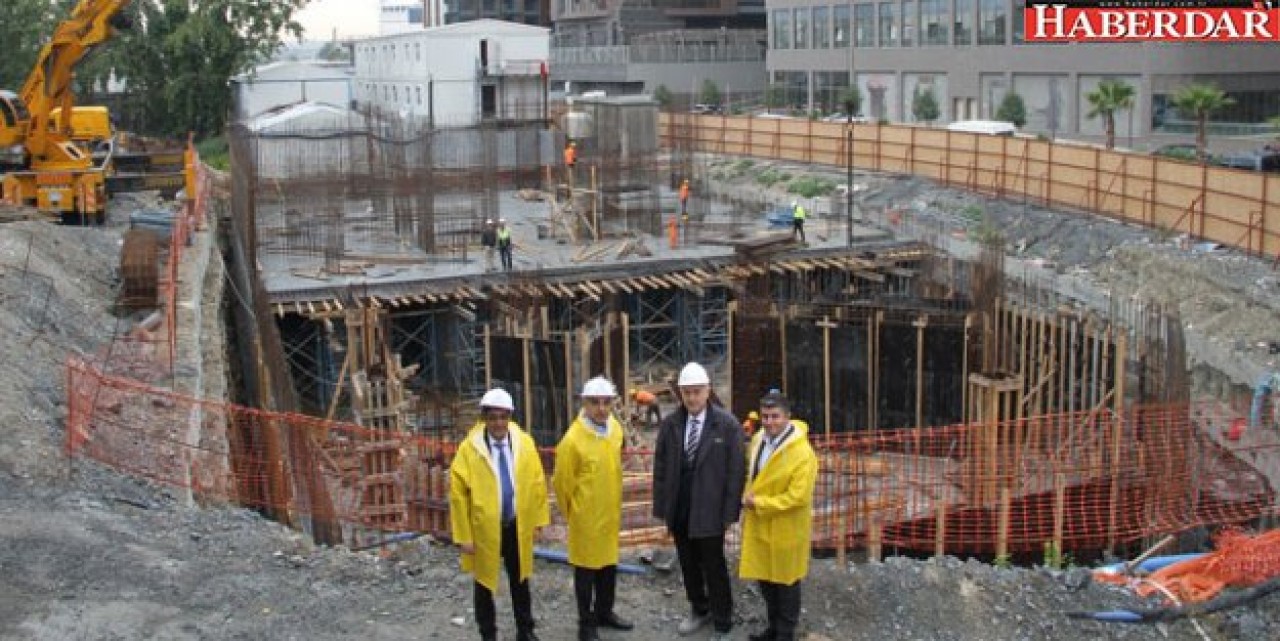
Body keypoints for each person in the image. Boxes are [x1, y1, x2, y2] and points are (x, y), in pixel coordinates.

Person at [652, 362, 746, 640]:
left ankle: (722, 617)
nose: (692, 398)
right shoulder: (670, 425)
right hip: (680, 507)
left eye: (697, 391)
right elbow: (661, 466)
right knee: (688, 563)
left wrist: (730, 513)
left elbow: (735, 473)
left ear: (708, 391)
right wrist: (662, 509)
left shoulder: (726, 425)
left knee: (714, 564)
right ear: (680, 393)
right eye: (687, 392)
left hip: (711, 508)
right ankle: (699, 608)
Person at [450, 388, 550, 641]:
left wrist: (539, 520)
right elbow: (458, 495)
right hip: (484, 530)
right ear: (484, 418)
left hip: (516, 525)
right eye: (493, 417)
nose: (498, 423)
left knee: (521, 580)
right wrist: (464, 536)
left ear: (510, 417)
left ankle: (525, 631)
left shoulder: (524, 443)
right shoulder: (469, 450)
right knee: (484, 585)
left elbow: (537, 481)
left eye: (503, 417)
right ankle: (488, 634)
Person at [553, 377, 634, 641]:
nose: (601, 408)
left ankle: (604, 612)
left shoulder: (615, 431)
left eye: (606, 402)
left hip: (609, 515)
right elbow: (562, 484)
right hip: (585, 518)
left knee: (609, 566)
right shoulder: (572, 441)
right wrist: (572, 516)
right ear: (583, 403)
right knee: (586, 572)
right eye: (595, 402)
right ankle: (585, 623)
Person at [739, 390, 819, 641]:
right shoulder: (759, 439)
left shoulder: (802, 453)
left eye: (775, 416)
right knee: (766, 580)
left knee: (785, 583)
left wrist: (759, 502)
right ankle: (772, 629)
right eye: (765, 416)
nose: (770, 422)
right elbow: (752, 475)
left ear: (788, 417)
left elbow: (798, 497)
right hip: (761, 524)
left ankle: (785, 634)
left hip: (786, 528)